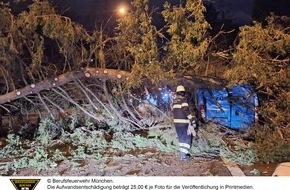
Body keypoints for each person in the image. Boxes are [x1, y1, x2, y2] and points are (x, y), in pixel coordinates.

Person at [172, 85, 197, 161]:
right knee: (187, 139)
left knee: (181, 139)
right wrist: (191, 118)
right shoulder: (183, 101)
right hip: (183, 123)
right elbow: (185, 110)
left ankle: (182, 154)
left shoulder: (174, 101)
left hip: (177, 124)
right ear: (183, 93)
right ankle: (183, 156)